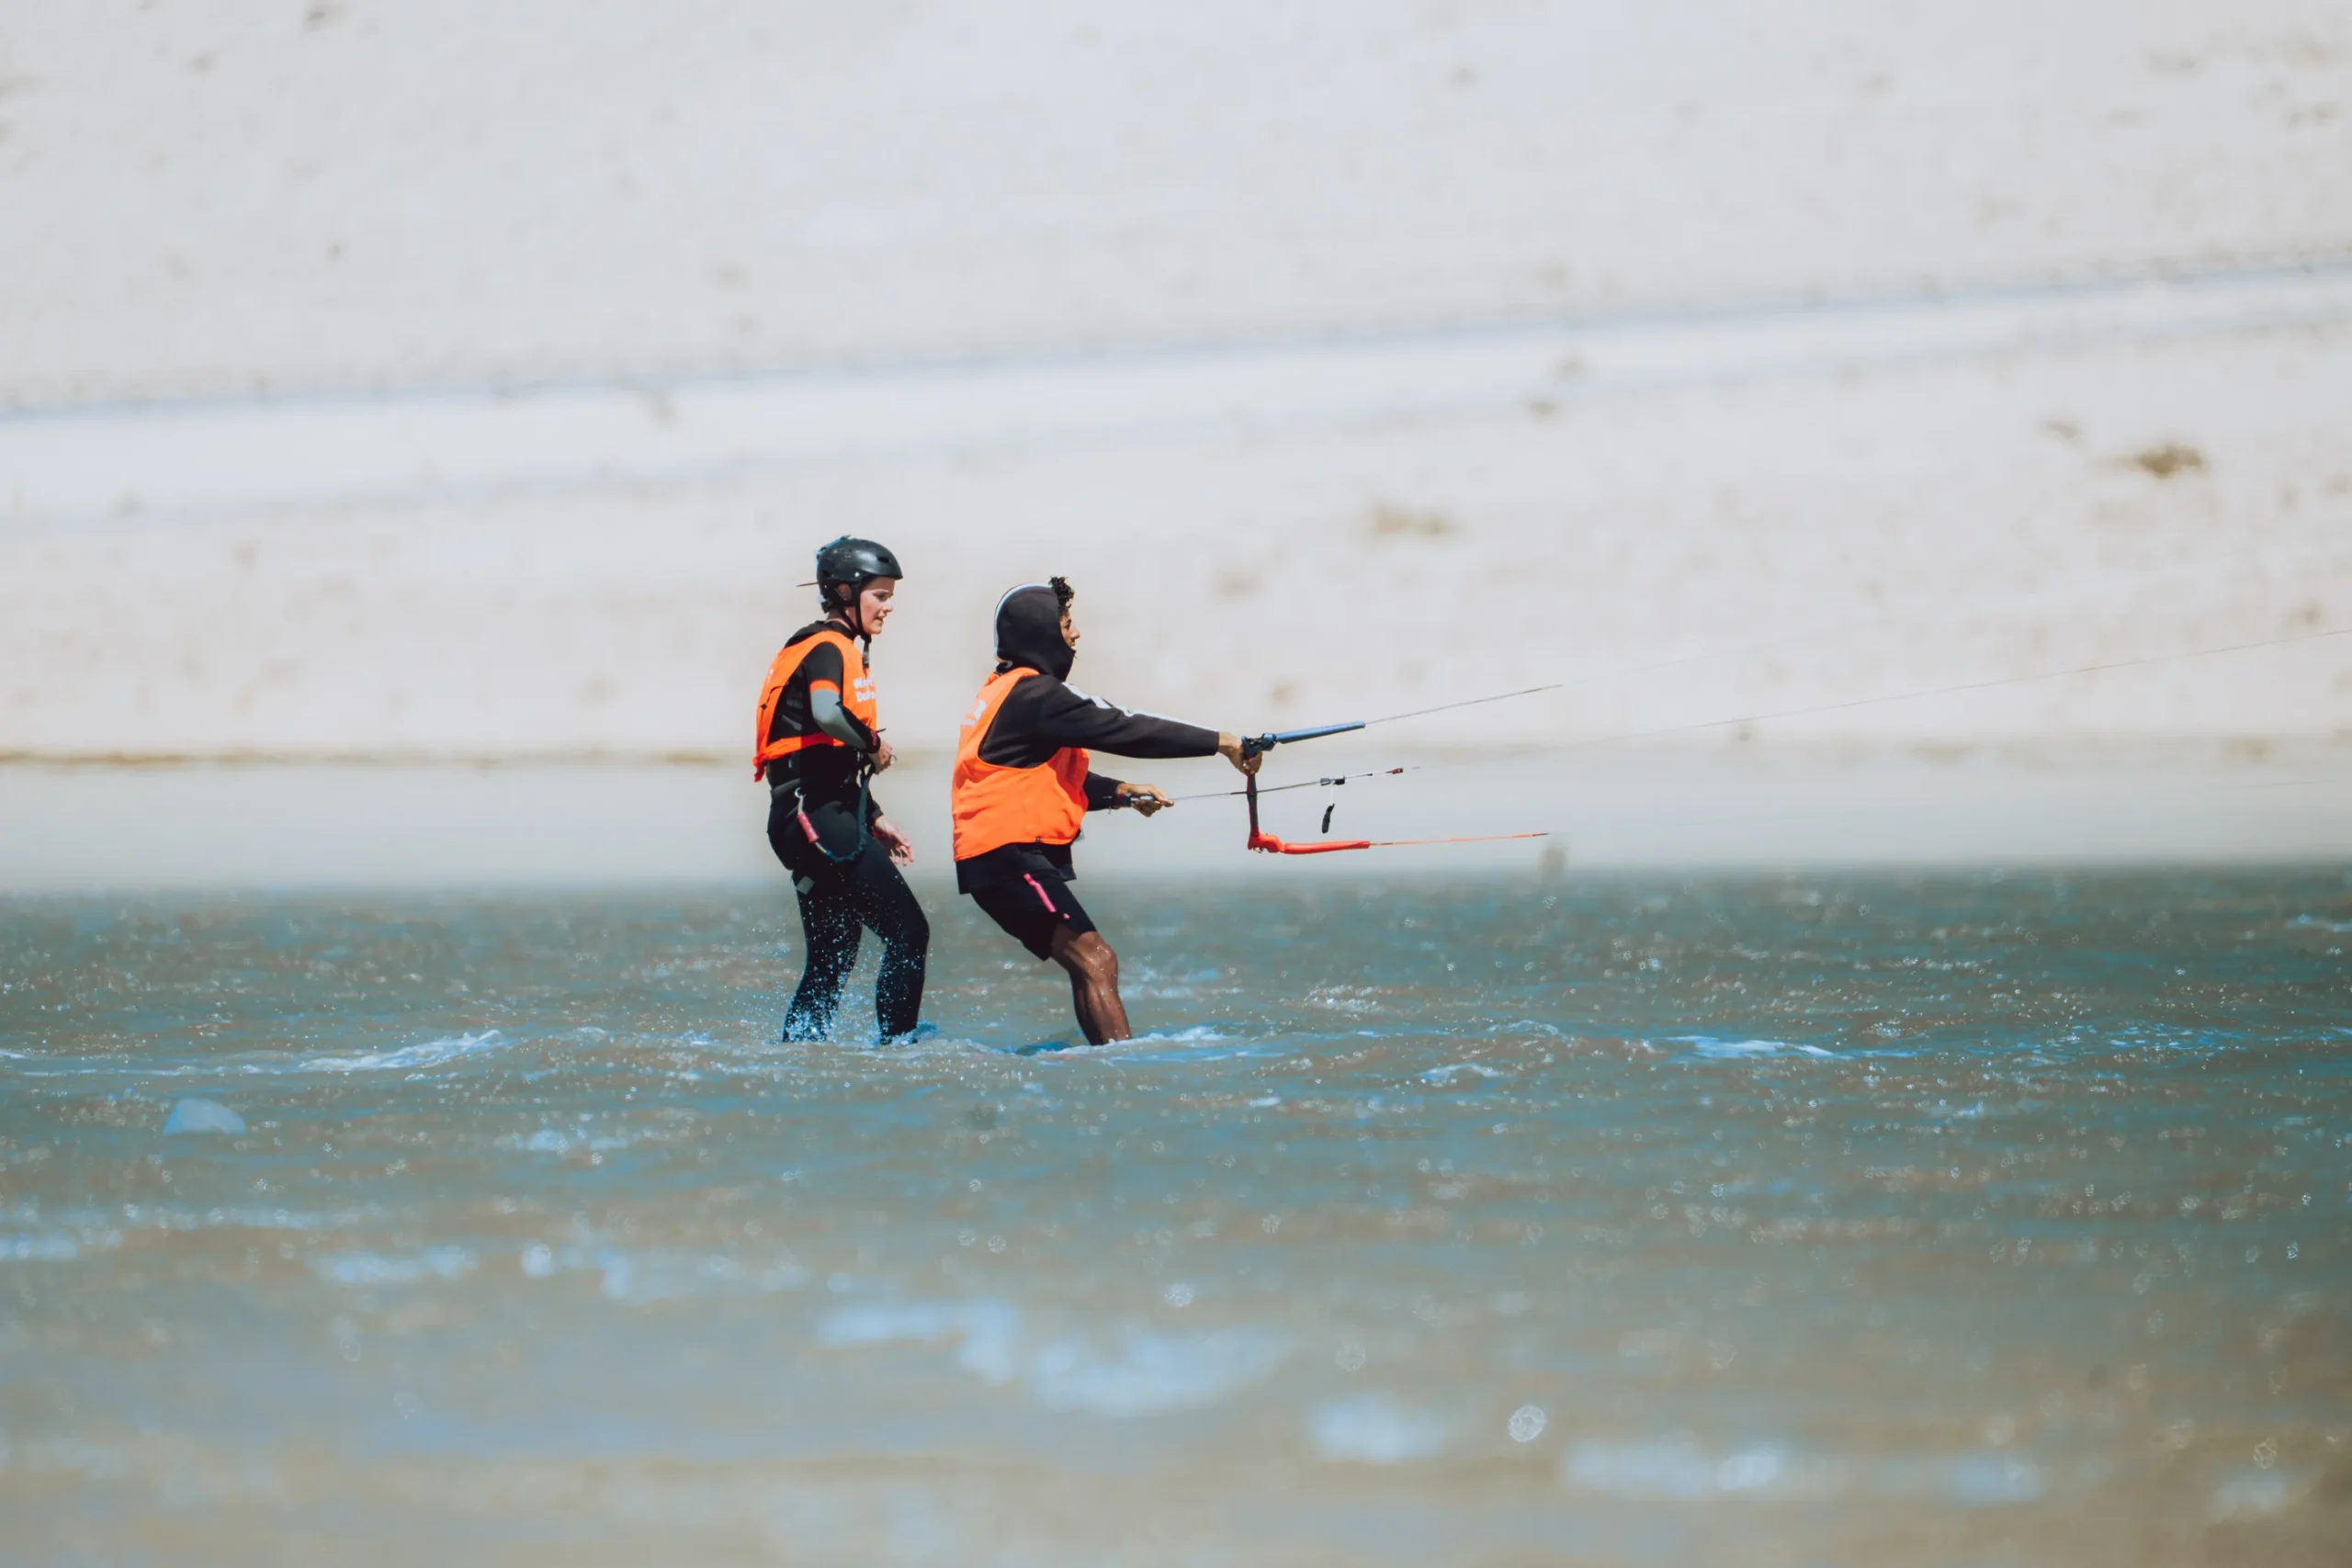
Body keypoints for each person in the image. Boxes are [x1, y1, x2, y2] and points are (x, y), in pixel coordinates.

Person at [952, 577, 1258, 1043]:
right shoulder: (1039, 695)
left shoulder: (1006, 691)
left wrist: (1120, 792)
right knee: (1096, 960)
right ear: (1042, 632)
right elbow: (1126, 728)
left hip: (997, 858)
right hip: (1008, 856)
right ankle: (1122, 1069)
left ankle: (1106, 1062)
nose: (1075, 636)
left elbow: (1034, 776)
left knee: (1090, 962)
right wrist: (1221, 742)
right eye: (1067, 625)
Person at [753, 536, 929, 1042]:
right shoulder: (831, 646)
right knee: (909, 932)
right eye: (880, 595)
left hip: (801, 817)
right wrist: (874, 743)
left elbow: (818, 753)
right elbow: (829, 715)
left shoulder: (807, 644)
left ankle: (799, 1057)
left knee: (835, 954)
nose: (889, 606)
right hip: (818, 818)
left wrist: (871, 816)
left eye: (891, 594)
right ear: (847, 593)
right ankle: (902, 1049)